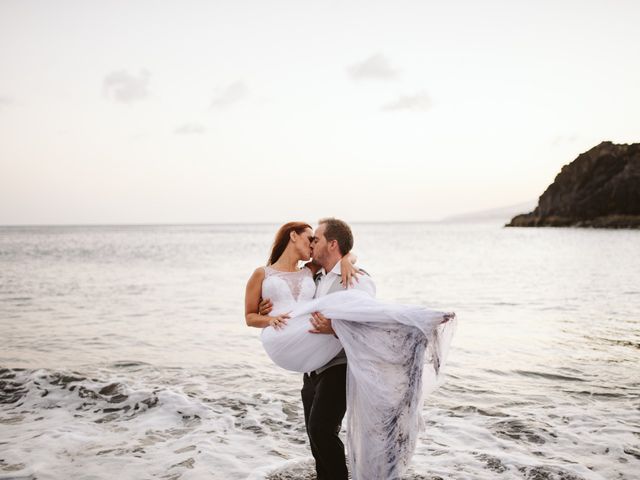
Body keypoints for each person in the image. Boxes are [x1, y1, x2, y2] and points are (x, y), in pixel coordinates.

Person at [244, 218, 456, 480]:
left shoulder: (356, 278)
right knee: (315, 433)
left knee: (322, 429)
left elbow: (369, 316)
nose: (312, 244)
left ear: (332, 244)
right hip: (313, 368)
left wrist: (333, 327)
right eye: (310, 239)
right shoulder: (317, 275)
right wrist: (269, 312)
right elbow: (289, 308)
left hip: (340, 366)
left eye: (317, 239)